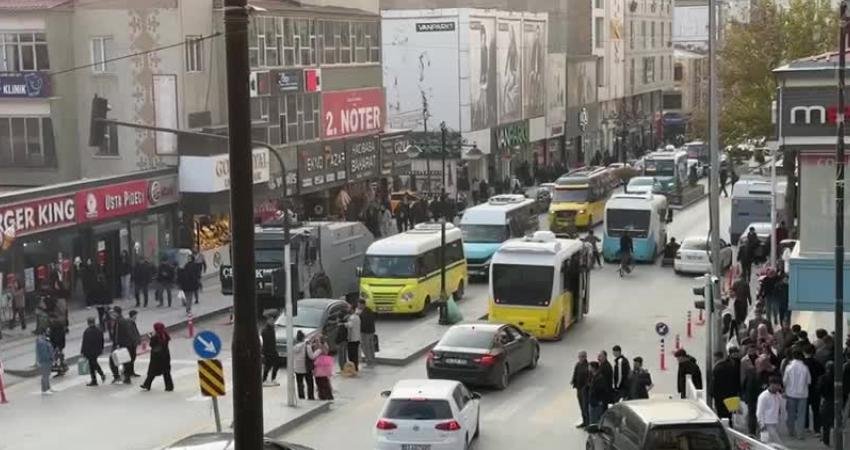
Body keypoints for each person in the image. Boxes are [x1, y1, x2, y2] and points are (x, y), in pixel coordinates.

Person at [783, 349, 811, 439]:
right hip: (803, 394)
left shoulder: (789, 367)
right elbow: (809, 381)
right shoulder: (805, 367)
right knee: (801, 414)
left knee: (791, 413)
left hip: (790, 393)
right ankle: (800, 434)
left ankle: (791, 431)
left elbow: (785, 381)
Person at [140, 322, 173, 391]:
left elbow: (152, 345)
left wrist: (151, 337)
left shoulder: (155, 336)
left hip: (157, 357)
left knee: (152, 372)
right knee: (166, 372)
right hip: (165, 356)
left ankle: (147, 384)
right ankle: (169, 386)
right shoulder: (165, 334)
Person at [756, 376, 786, 445]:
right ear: (771, 384)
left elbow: (782, 408)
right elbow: (759, 412)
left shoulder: (778, 395)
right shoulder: (763, 396)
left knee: (769, 445)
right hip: (767, 424)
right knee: (779, 444)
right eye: (777, 385)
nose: (778, 387)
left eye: (779, 385)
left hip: (775, 422)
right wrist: (762, 426)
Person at [741, 344, 762, 436]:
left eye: (754, 349)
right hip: (749, 388)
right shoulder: (744, 361)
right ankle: (751, 431)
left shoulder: (761, 359)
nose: (752, 351)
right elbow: (742, 375)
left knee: (760, 410)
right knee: (751, 411)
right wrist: (742, 390)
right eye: (750, 349)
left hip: (760, 387)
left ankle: (760, 429)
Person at [802, 344, 824, 434]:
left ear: (804, 352)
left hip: (805, 389)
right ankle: (817, 429)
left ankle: (806, 427)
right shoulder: (818, 363)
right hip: (816, 389)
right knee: (816, 410)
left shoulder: (803, 364)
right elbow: (822, 375)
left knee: (805, 409)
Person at [711, 351, 739, 420]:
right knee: (730, 414)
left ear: (716, 357)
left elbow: (715, 383)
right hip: (731, 394)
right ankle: (731, 427)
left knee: (722, 415)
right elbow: (735, 380)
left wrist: (712, 393)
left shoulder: (717, 368)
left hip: (720, 396)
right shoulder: (731, 366)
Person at [293, 331, 319, 400]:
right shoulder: (307, 346)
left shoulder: (294, 347)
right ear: (303, 337)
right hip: (306, 367)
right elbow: (312, 356)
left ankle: (301, 397)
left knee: (300, 383)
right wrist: (318, 351)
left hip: (297, 368)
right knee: (310, 383)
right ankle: (310, 397)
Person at [80, 317, 105, 386]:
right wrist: (101, 348)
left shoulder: (87, 331)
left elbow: (85, 342)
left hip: (89, 351)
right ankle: (95, 379)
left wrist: (83, 351)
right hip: (97, 350)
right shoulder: (99, 330)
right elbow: (102, 340)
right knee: (93, 364)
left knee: (93, 364)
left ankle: (99, 375)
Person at [571, 351, 590, 428]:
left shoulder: (588, 367)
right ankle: (584, 421)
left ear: (585, 357)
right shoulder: (578, 365)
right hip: (578, 388)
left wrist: (586, 387)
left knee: (585, 407)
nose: (580, 358)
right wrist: (573, 380)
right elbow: (575, 373)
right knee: (581, 406)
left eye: (582, 357)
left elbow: (589, 378)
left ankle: (588, 423)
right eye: (579, 357)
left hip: (584, 390)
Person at [312, 336, 334, 400]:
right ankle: (326, 395)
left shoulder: (320, 347)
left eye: (317, 340)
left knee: (321, 381)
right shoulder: (324, 346)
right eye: (315, 340)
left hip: (320, 367)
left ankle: (323, 395)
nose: (316, 342)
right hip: (323, 367)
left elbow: (314, 356)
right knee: (324, 381)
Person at [261, 314, 280, 386]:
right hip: (268, 350)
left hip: (273, 349)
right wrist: (265, 352)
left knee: (277, 363)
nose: (272, 322)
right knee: (268, 365)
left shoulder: (272, 329)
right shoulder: (265, 330)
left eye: (273, 320)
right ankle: (264, 380)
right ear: (267, 321)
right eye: (271, 320)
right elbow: (265, 342)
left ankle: (273, 378)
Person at [819, 361, 835, 447]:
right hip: (835, 401)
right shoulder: (837, 378)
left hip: (826, 401)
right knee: (835, 422)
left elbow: (819, 389)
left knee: (825, 424)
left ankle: (826, 440)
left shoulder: (823, 378)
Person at [358, 299, 377, 366]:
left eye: (359, 305)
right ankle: (372, 359)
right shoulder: (369, 310)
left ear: (362, 304)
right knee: (371, 346)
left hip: (365, 332)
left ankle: (369, 360)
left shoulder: (364, 313)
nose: (358, 306)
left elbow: (364, 323)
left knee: (365, 346)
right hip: (371, 331)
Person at [346, 304, 361, 372]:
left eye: (349, 308)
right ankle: (356, 367)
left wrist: (343, 324)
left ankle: (353, 368)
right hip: (357, 338)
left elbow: (349, 325)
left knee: (352, 355)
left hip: (352, 339)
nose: (348, 309)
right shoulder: (357, 317)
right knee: (355, 354)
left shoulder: (351, 317)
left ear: (352, 309)